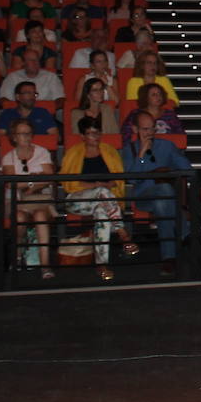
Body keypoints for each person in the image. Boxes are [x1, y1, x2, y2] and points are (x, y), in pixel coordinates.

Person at [60, 116, 139, 281]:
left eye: (97, 133)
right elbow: (69, 183)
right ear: (82, 136)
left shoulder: (109, 151)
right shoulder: (73, 153)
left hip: (104, 201)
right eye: (90, 133)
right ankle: (122, 233)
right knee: (101, 190)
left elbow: (118, 180)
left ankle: (101, 265)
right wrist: (96, 185)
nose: (94, 137)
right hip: (77, 200)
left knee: (102, 214)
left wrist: (103, 185)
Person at [121, 111, 195, 277]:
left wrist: (173, 170)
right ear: (135, 129)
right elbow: (132, 180)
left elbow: (186, 167)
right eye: (145, 129)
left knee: (162, 203)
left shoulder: (166, 146)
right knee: (164, 192)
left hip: (165, 200)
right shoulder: (128, 150)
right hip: (142, 197)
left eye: (152, 129)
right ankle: (185, 232)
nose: (149, 133)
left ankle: (169, 259)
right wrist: (141, 155)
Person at [0, 119, 57, 279]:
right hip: (17, 201)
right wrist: (34, 180)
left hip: (41, 199)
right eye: (22, 134)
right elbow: (11, 184)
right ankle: (17, 254)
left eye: (28, 133)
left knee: (39, 216)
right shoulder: (8, 157)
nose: (26, 137)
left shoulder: (42, 152)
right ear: (14, 136)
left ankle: (45, 263)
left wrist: (29, 185)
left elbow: (49, 178)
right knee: (19, 218)